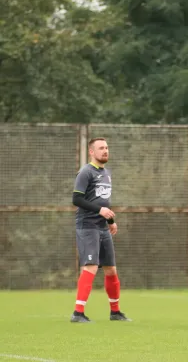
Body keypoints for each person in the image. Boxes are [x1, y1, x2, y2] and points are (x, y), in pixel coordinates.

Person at [70, 137, 131, 323]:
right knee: (90, 267)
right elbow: (77, 199)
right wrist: (100, 210)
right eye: (101, 148)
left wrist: (110, 220)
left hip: (102, 227)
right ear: (91, 152)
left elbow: (104, 202)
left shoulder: (106, 173)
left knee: (111, 269)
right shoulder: (85, 172)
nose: (105, 151)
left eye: (107, 147)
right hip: (87, 225)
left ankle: (115, 312)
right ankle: (78, 313)